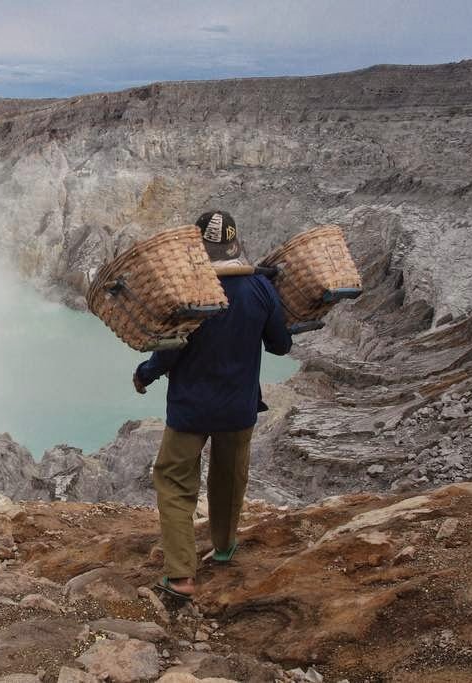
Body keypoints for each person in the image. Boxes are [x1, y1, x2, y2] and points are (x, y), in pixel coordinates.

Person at [134, 210, 293, 599]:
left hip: (191, 409)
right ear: (235, 244)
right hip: (239, 408)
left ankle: (181, 576)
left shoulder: (191, 291)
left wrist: (145, 372)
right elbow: (281, 345)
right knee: (229, 478)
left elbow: (169, 350)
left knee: (174, 482)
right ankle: (223, 547)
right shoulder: (259, 288)